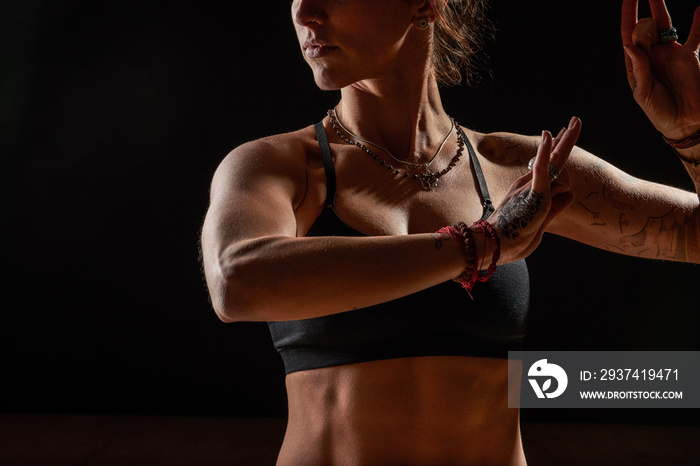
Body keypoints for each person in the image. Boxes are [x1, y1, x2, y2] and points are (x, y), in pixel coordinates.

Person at [200, 0, 700, 463]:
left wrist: (691, 134)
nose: (306, 12)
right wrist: (479, 244)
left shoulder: (519, 168)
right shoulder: (282, 167)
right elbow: (236, 281)